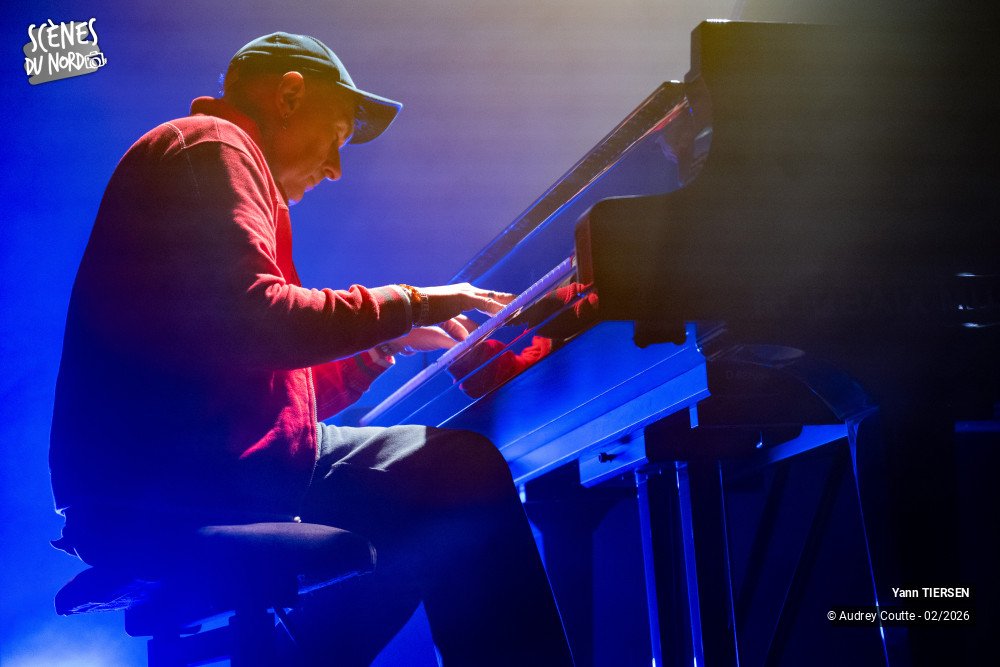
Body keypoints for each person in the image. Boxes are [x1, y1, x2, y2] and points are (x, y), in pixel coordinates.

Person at [49, 31, 574, 665]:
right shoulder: (216, 146)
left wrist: (381, 345)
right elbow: (256, 319)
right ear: (290, 95)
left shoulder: (208, 159)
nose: (335, 167)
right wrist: (411, 301)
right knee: (457, 472)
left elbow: (266, 377)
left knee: (413, 510)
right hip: (176, 478)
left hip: (174, 468)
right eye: (338, 138)